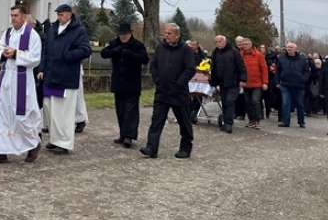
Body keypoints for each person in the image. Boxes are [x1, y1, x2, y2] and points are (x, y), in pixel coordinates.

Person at [0, 4, 42, 164]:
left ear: (24, 17)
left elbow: (35, 58)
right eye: (11, 15)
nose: (13, 19)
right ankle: (1, 152)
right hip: (7, 79)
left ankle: (34, 143)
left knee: (22, 117)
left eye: (16, 15)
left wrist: (16, 53)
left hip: (22, 80)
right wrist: (3, 53)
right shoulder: (7, 33)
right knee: (3, 115)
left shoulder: (32, 35)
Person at [39, 4, 92, 154]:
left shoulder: (78, 30)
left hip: (66, 77)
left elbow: (86, 50)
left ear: (69, 14)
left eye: (62, 14)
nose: (59, 17)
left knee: (64, 112)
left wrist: (69, 55)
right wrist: (42, 68)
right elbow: (46, 50)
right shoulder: (52, 29)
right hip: (51, 75)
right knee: (50, 109)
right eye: (58, 14)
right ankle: (54, 139)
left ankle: (64, 143)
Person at [140, 23, 196, 159]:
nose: (166, 36)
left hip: (179, 92)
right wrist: (157, 80)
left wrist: (179, 83)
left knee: (184, 121)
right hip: (162, 91)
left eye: (169, 33)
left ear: (177, 35)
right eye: (165, 33)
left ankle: (185, 148)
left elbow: (190, 69)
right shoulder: (161, 48)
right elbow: (153, 65)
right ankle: (151, 148)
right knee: (156, 121)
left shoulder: (186, 50)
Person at [100, 21, 149, 148]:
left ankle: (129, 136)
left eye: (125, 34)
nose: (123, 36)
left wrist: (131, 54)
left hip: (132, 83)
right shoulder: (114, 43)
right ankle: (123, 134)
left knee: (131, 111)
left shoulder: (137, 45)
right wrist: (114, 50)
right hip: (118, 83)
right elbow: (103, 53)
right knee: (120, 110)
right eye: (121, 34)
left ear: (130, 33)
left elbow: (145, 59)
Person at [209, 35, 247, 134]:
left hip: (233, 82)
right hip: (222, 83)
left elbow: (241, 66)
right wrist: (213, 82)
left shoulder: (234, 52)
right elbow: (213, 68)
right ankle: (226, 122)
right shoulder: (215, 52)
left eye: (220, 41)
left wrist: (243, 79)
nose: (218, 44)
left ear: (225, 41)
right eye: (216, 42)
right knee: (225, 102)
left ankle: (229, 124)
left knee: (230, 101)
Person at [276, 41, 309, 128]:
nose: (289, 49)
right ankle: (285, 122)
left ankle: (301, 122)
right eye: (288, 47)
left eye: (291, 47)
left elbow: (307, 72)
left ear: (295, 49)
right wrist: (277, 82)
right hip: (285, 85)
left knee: (300, 104)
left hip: (299, 85)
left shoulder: (302, 59)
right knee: (286, 103)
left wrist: (303, 79)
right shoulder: (281, 58)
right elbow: (278, 71)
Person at [238, 37, 268, 129]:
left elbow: (264, 69)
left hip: (257, 84)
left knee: (255, 101)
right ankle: (251, 120)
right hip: (245, 83)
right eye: (244, 44)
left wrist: (265, 82)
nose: (245, 46)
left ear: (251, 44)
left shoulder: (258, 55)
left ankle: (257, 120)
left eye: (247, 44)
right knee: (247, 102)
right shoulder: (240, 55)